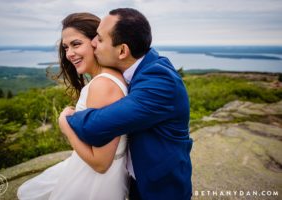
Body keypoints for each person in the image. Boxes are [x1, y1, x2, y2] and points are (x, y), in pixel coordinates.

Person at [61, 8, 193, 200]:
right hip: (135, 180)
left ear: (122, 50)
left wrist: (66, 119)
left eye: (99, 38)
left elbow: (94, 126)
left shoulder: (159, 82)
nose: (93, 42)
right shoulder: (142, 67)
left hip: (161, 189)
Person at [17, 12, 129, 200]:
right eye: (66, 47)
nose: (69, 54)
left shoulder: (103, 85)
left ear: (97, 41)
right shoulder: (108, 79)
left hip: (96, 182)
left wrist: (65, 125)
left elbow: (101, 163)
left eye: (76, 44)